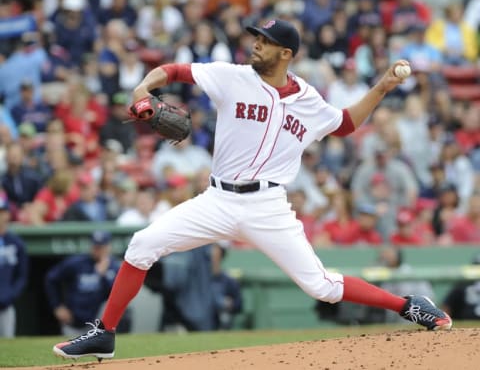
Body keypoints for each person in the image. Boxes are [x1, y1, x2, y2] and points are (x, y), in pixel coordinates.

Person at [53, 19, 452, 361]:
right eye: (255, 38)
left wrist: (382, 86)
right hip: (217, 200)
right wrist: (142, 89)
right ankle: (105, 332)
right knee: (141, 244)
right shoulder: (232, 76)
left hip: (267, 206)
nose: (256, 44)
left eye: (265, 41)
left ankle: (410, 306)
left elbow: (345, 124)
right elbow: (174, 71)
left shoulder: (308, 99)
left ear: (286, 54)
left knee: (322, 287)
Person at [45, 231, 129, 337]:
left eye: (101, 247)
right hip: (73, 321)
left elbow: (116, 296)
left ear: (108, 247)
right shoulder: (77, 263)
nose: (97, 250)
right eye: (95, 246)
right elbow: (51, 279)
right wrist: (57, 306)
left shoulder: (114, 267)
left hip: (99, 323)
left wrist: (103, 276)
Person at [0, 198, 29, 338]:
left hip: (6, 305)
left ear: (7, 214)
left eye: (2, 212)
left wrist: (11, 295)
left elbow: (22, 275)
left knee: (7, 342)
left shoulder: (16, 242)